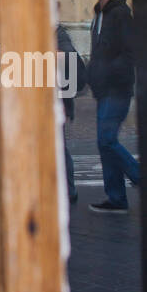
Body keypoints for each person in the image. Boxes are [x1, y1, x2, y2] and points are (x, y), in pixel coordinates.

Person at [85, 0, 140, 213]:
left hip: (117, 87)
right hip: (103, 88)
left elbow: (130, 53)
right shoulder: (99, 13)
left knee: (106, 140)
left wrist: (107, 72)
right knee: (104, 143)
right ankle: (116, 199)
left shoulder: (120, 14)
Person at [57, 18, 87, 205]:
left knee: (58, 146)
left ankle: (68, 190)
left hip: (54, 99)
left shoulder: (56, 32)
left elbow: (67, 57)